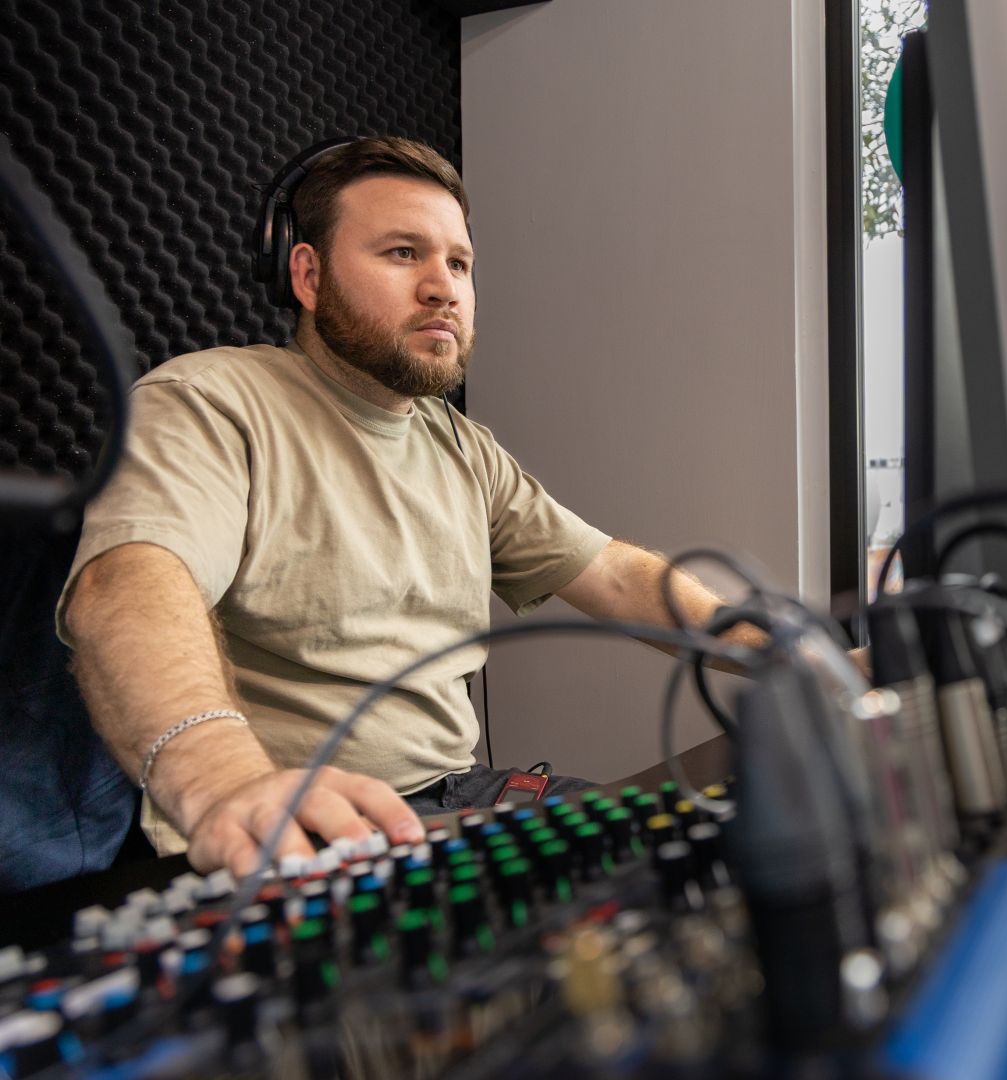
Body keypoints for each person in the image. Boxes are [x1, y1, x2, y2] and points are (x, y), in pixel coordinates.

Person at [57, 137, 767, 878]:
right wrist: (223, 783)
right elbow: (127, 588)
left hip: (457, 798)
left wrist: (788, 655)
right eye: (402, 254)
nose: (443, 288)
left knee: (710, 857)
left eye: (458, 264)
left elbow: (617, 577)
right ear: (306, 274)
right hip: (295, 833)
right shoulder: (209, 402)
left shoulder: (460, 445)